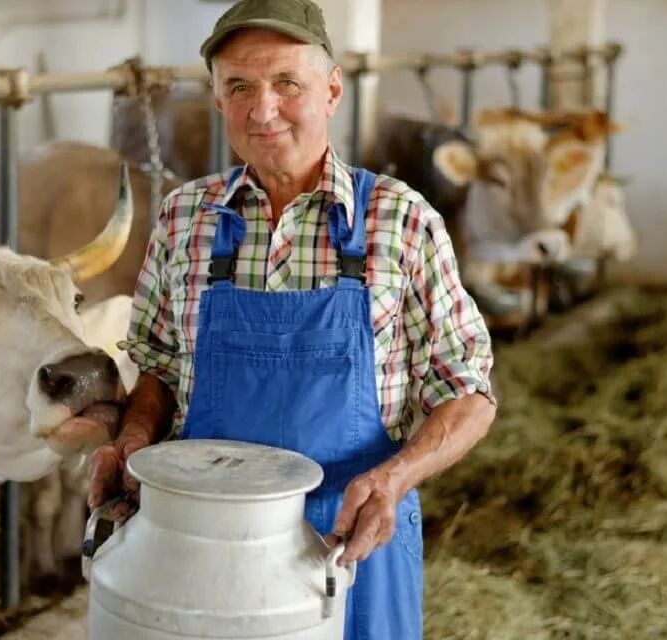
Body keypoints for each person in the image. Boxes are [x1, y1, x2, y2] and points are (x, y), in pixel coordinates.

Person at [88, 0, 498, 636]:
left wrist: (396, 479)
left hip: (352, 543)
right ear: (219, 101)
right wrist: (135, 443)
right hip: (204, 546)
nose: (263, 109)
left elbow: (469, 393)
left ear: (332, 90)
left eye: (287, 84)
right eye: (240, 88)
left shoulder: (401, 221)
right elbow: (159, 369)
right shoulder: (183, 218)